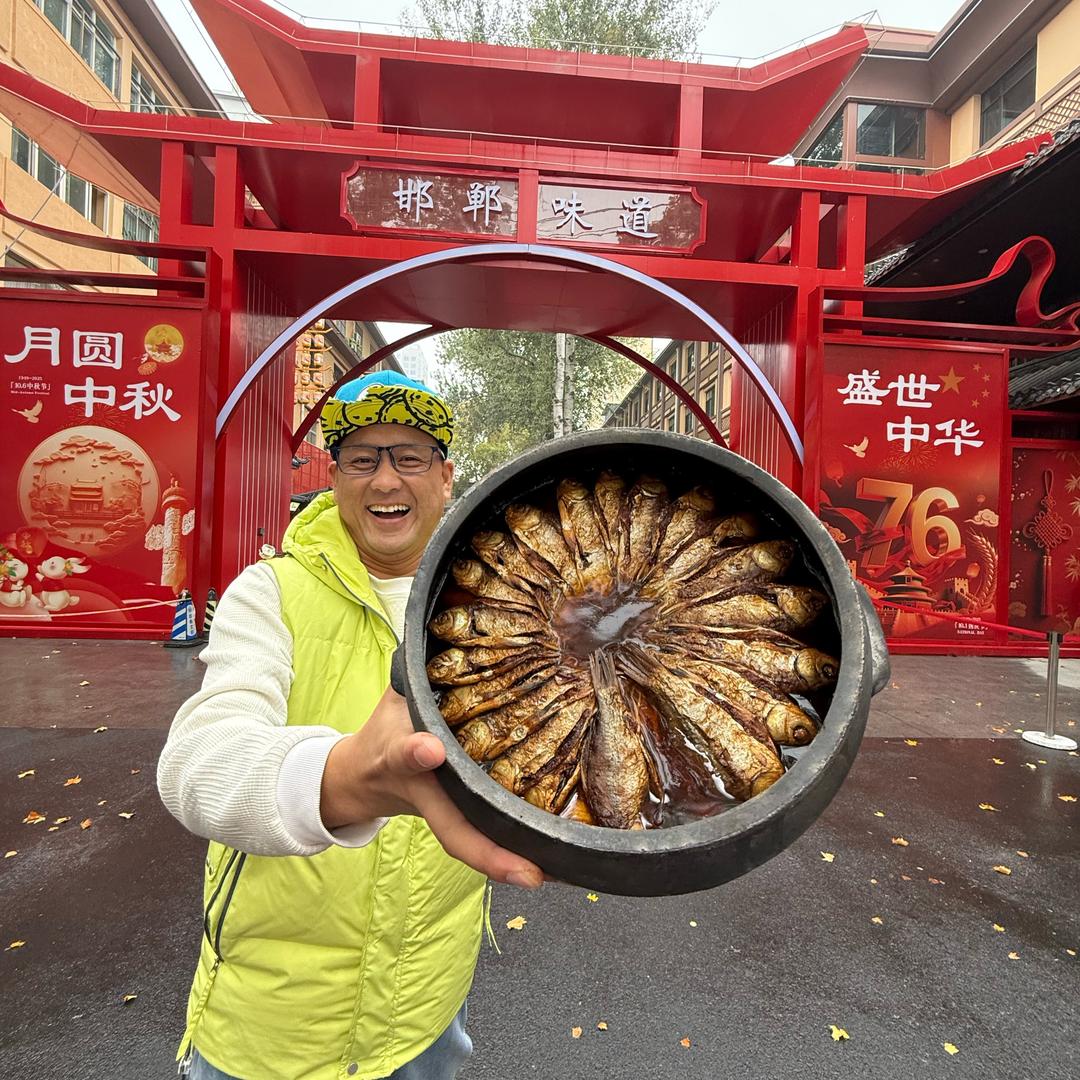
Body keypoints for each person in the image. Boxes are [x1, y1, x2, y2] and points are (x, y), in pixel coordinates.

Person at [158, 372, 544, 1080]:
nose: (385, 479)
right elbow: (197, 764)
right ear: (334, 476)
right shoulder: (272, 590)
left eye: (409, 456)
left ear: (445, 472)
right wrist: (342, 782)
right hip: (270, 1026)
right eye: (362, 458)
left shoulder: (505, 602)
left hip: (426, 1013)